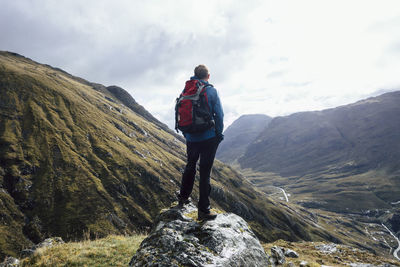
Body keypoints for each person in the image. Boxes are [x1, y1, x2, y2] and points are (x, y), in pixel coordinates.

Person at [177, 64, 224, 220]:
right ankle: (203, 210)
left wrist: (187, 133)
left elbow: (182, 112)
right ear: (208, 76)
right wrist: (218, 134)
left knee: (190, 165)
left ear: (194, 75)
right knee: (205, 172)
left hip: (191, 137)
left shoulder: (186, 90)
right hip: (208, 137)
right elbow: (220, 115)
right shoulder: (211, 91)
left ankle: (183, 198)